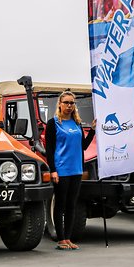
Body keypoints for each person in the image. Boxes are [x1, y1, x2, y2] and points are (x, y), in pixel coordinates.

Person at [45, 91, 95, 250]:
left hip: (76, 170)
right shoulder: (53, 123)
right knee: (60, 205)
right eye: (66, 102)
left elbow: (84, 147)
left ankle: (68, 238)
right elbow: (50, 149)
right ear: (59, 103)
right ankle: (60, 239)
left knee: (72, 205)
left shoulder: (77, 123)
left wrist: (93, 130)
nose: (69, 106)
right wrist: (53, 170)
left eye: (72, 103)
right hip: (61, 170)